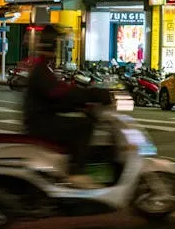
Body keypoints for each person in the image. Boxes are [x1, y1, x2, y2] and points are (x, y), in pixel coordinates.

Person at [22, 25, 111, 189]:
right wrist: (92, 95)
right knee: (84, 126)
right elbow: (61, 93)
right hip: (40, 123)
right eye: (59, 45)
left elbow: (58, 98)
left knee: (82, 121)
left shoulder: (44, 68)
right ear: (52, 46)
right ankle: (77, 172)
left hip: (41, 119)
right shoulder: (42, 71)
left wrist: (80, 105)